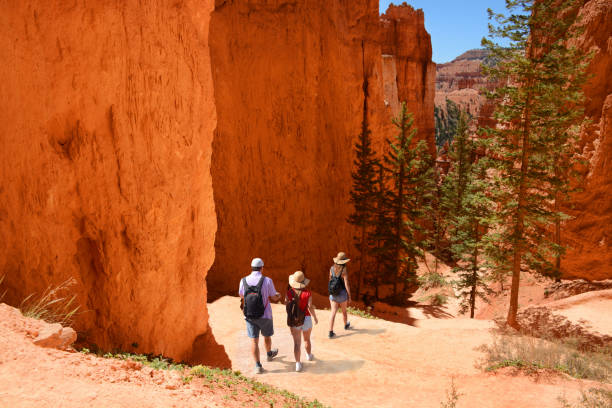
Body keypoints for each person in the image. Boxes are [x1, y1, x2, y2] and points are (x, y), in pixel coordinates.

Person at [239, 258, 281, 374]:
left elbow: (241, 295)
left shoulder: (243, 280)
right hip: (265, 315)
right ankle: (269, 354)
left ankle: (257, 366)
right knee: (267, 337)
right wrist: (278, 295)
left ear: (251, 267)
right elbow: (273, 296)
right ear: (262, 268)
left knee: (254, 341)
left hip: (249, 316)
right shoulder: (267, 280)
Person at [286, 271, 318, 372]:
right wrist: (315, 318)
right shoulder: (308, 293)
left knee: (296, 343)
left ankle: (298, 364)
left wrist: (291, 317)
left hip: (294, 320)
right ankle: (308, 355)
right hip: (307, 318)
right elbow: (310, 307)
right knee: (307, 339)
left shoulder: (289, 293)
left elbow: (287, 306)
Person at [328, 252, 351, 338]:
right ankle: (346, 325)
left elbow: (330, 281)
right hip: (342, 294)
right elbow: (346, 284)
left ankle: (330, 331)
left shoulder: (331, 268)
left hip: (333, 294)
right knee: (344, 312)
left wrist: (331, 292)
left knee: (333, 312)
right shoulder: (344, 269)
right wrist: (349, 296)